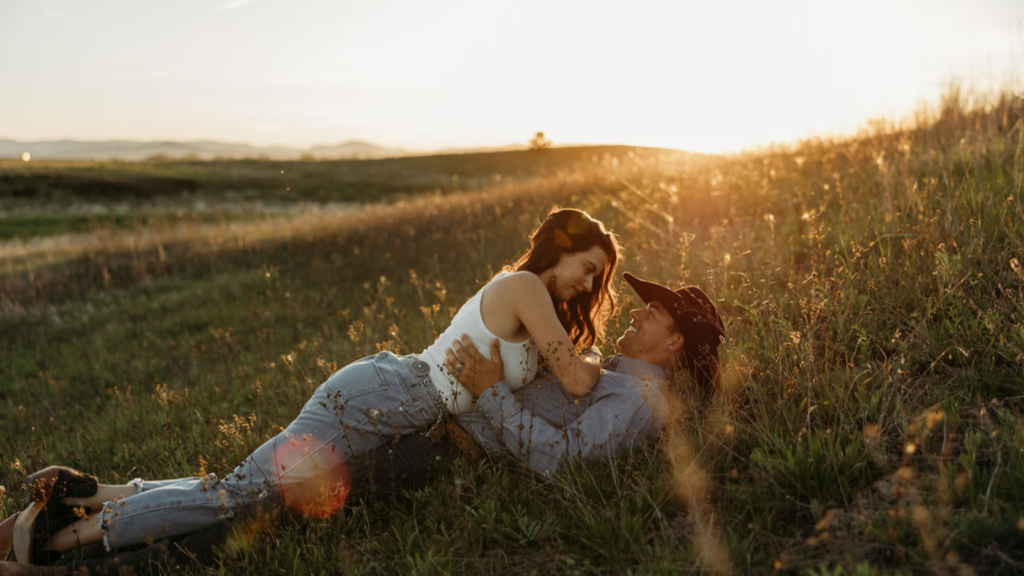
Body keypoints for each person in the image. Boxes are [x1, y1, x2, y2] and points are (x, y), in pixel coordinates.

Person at [0, 207, 620, 568]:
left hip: (391, 398)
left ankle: (97, 494)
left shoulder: (532, 300)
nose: (589, 288)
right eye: (587, 270)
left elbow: (554, 374)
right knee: (235, 498)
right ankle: (65, 536)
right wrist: (595, 367)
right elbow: (573, 376)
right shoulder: (525, 288)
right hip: (385, 397)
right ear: (558, 251)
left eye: (597, 279)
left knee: (238, 487)